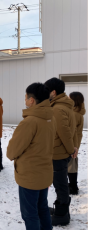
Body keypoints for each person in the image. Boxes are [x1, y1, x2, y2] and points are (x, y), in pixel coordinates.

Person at [7, 83, 56, 230]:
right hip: (45, 173)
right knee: (42, 208)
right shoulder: (51, 117)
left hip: (30, 176)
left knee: (30, 214)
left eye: (26, 97)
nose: (25, 100)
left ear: (32, 100)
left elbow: (12, 152)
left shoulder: (29, 122)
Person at [44, 78, 78, 226]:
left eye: (47, 91)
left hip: (58, 153)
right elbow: (72, 130)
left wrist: (72, 149)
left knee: (60, 184)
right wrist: (73, 148)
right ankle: (61, 209)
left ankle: (61, 215)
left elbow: (64, 131)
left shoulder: (57, 108)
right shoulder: (63, 105)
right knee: (60, 183)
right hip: (61, 152)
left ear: (53, 92)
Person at [68, 92, 86, 194]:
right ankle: (73, 186)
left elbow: (72, 131)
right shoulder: (79, 113)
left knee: (71, 165)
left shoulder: (74, 114)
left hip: (72, 143)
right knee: (72, 164)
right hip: (75, 143)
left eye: (70, 98)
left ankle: (73, 188)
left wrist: (73, 146)